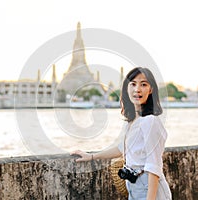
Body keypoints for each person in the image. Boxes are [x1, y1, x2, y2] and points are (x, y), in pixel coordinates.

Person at [71, 67, 172, 200]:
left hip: (149, 190)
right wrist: (91, 156)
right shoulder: (132, 121)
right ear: (127, 88)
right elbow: (121, 148)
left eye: (143, 84)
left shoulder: (150, 121)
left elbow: (154, 165)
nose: (137, 89)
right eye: (133, 84)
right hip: (134, 187)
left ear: (151, 89)